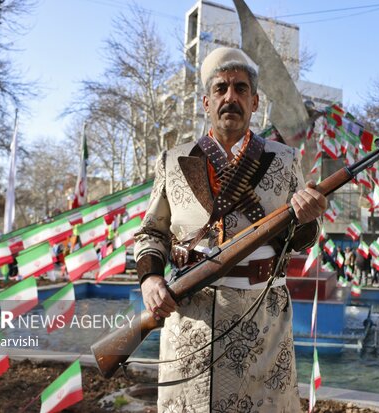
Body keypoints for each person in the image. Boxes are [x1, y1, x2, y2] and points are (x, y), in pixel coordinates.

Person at [133, 47, 326, 412]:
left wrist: (307, 217)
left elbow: (299, 240)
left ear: (255, 103)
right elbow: (151, 233)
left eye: (240, 89)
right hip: (190, 319)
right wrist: (150, 280)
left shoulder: (285, 160)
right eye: (221, 89)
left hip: (262, 322)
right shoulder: (173, 160)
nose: (230, 97)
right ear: (206, 102)